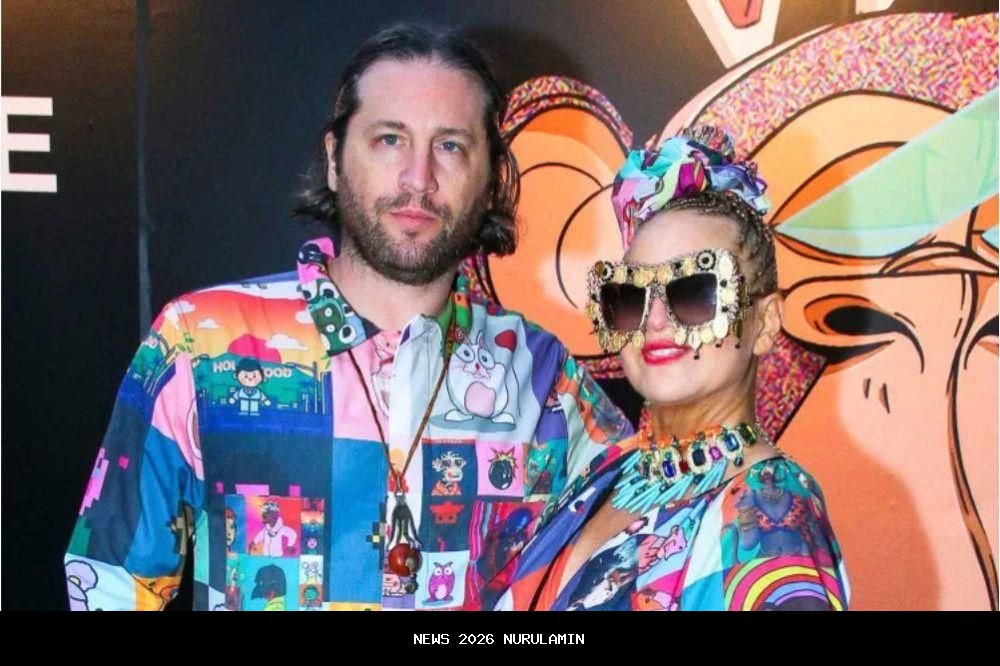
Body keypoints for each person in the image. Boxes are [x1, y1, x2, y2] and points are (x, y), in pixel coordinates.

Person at [64, 23, 631, 611]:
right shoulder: (200, 343)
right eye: (390, 139)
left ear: (490, 180)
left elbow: (649, 540)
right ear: (335, 160)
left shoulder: (544, 377)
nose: (418, 178)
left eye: (450, 146)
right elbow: (109, 583)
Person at [494, 127, 850, 611]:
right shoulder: (607, 471)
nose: (655, 321)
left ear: (765, 322)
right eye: (630, 297)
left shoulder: (770, 509)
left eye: (695, 293)